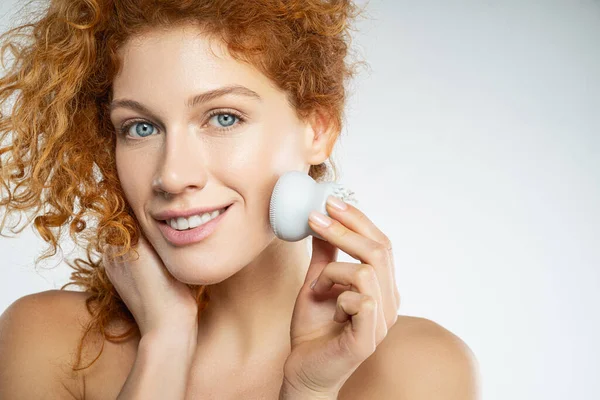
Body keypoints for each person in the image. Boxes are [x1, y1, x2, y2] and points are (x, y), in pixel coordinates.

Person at [0, 0, 480, 398]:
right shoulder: (50, 340)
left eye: (223, 118)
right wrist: (165, 348)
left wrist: (309, 390)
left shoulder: (421, 371)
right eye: (140, 127)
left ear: (318, 128)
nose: (172, 175)